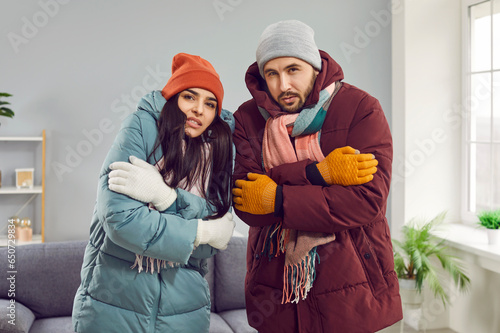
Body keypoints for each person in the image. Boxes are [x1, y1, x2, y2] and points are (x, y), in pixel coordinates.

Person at [231, 20, 403, 332]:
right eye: (272, 73)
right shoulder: (247, 119)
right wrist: (322, 173)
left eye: (293, 69)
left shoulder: (360, 108)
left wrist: (278, 196)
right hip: (276, 291)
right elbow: (247, 204)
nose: (283, 85)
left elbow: (366, 202)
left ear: (314, 65)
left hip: (356, 294)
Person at [72, 53, 236, 333]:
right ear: (173, 99)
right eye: (190, 97)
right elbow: (121, 221)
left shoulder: (219, 148)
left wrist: (168, 198)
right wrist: (200, 232)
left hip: (185, 312)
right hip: (112, 306)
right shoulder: (141, 127)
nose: (199, 109)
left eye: (210, 104)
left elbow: (215, 243)